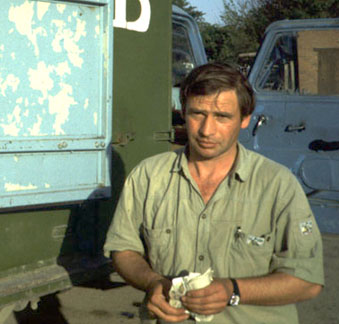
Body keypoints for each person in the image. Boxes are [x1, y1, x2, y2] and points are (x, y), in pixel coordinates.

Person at [103, 62, 323, 323]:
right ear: (183, 113)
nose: (207, 130)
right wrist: (153, 282)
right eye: (198, 114)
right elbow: (124, 249)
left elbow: (307, 280)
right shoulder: (149, 177)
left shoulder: (278, 185)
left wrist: (234, 290)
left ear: (244, 119)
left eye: (222, 117)